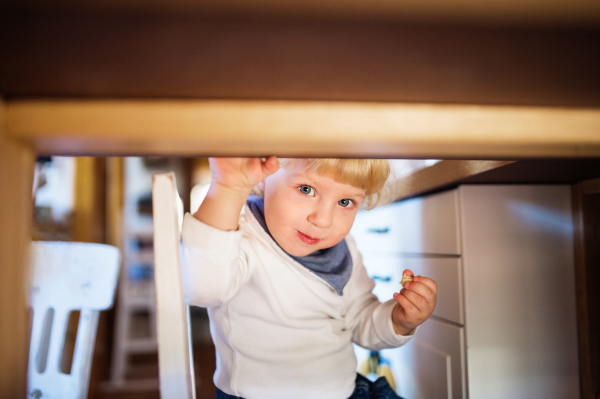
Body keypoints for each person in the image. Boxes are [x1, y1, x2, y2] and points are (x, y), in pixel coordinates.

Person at [181, 157, 437, 399]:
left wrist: (398, 321)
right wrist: (227, 188)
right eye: (306, 189)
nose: (323, 220)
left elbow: (360, 319)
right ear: (264, 178)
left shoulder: (345, 248)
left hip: (346, 390)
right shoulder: (238, 235)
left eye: (346, 202)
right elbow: (202, 288)